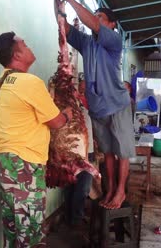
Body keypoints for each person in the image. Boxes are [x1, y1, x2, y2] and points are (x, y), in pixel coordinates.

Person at [49, 0, 136, 209]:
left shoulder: (114, 41)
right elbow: (64, 28)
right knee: (107, 153)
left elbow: (93, 24)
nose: (95, 20)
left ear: (111, 25)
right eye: (95, 15)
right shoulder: (87, 43)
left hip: (117, 105)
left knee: (122, 153)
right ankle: (108, 190)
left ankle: (120, 193)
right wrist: (57, 1)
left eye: (100, 17)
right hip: (98, 108)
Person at [0, 32, 73, 248]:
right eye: (25, 45)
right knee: (32, 235)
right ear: (17, 54)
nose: (29, 47)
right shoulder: (30, 83)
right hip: (23, 166)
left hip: (2, 164)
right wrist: (67, 115)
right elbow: (55, 122)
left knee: (13, 232)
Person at [64, 79, 95, 228]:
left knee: (74, 185)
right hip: (80, 153)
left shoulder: (85, 105)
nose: (82, 93)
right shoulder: (72, 108)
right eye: (79, 90)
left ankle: (72, 217)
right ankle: (76, 219)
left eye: (84, 90)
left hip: (85, 150)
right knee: (81, 187)